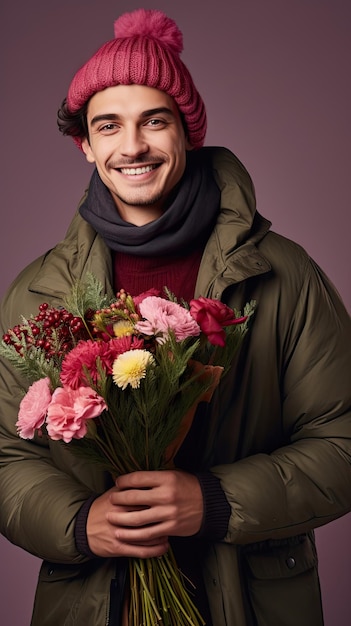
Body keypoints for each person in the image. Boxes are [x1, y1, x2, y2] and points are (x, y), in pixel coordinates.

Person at [0, 7, 350, 626]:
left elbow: (343, 438)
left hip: (251, 602)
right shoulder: (38, 291)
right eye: (108, 125)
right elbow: (6, 454)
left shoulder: (282, 274)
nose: (131, 146)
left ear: (186, 131)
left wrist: (216, 502)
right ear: (85, 143)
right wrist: (78, 524)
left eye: (153, 121)